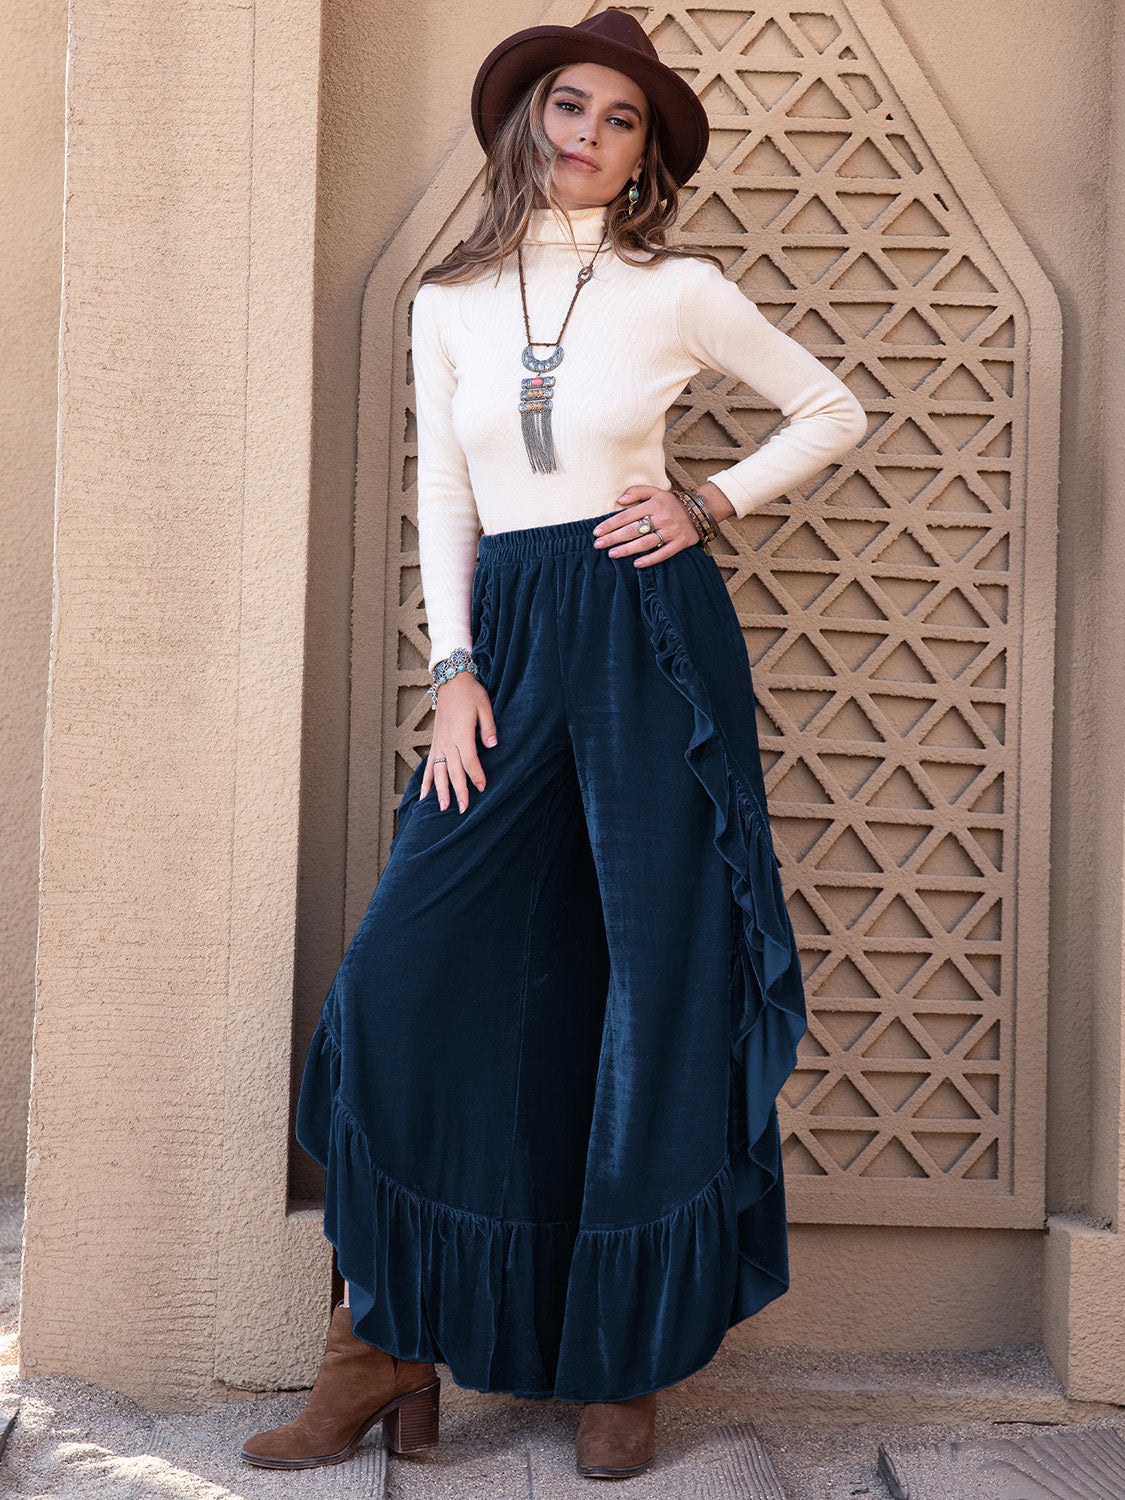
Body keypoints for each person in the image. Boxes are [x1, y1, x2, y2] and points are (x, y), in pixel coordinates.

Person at [241, 8, 866, 1482]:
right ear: (529, 120)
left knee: (653, 977)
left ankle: (623, 1360)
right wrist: (454, 670)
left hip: (647, 640)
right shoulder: (450, 301)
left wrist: (705, 504)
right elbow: (447, 497)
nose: (588, 133)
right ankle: (381, 1347)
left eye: (620, 120)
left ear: (644, 160)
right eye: (570, 106)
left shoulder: (677, 289)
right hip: (510, 645)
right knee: (402, 980)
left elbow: (830, 408)